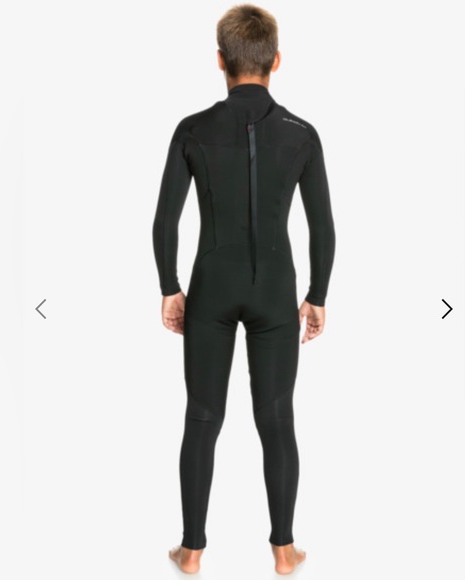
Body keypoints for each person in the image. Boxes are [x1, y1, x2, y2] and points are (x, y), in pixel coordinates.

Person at [152, 3, 335, 574]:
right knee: (277, 416)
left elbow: (165, 221)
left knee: (202, 415)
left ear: (220, 61)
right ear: (276, 60)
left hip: (210, 287)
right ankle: (283, 551)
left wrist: (170, 287)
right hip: (275, 291)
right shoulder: (302, 134)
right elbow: (323, 228)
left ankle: (191, 551)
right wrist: (318, 295)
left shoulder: (192, 130)